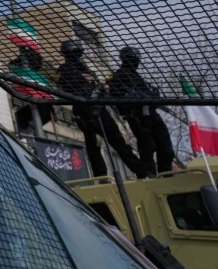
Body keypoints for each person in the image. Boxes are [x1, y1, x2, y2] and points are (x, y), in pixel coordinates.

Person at [57, 40, 148, 179]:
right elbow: (64, 84)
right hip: (85, 110)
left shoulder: (84, 68)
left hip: (98, 108)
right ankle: (103, 176)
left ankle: (140, 171)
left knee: (116, 142)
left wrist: (101, 88)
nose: (77, 56)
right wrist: (81, 78)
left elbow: (96, 86)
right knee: (96, 144)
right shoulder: (65, 70)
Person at [109, 46, 175, 175]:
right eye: (133, 59)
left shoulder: (137, 77)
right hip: (136, 116)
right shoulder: (117, 76)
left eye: (136, 59)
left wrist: (153, 96)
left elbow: (147, 94)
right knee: (147, 147)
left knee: (166, 147)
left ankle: (166, 174)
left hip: (150, 113)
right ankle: (149, 176)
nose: (136, 62)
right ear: (125, 59)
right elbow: (115, 96)